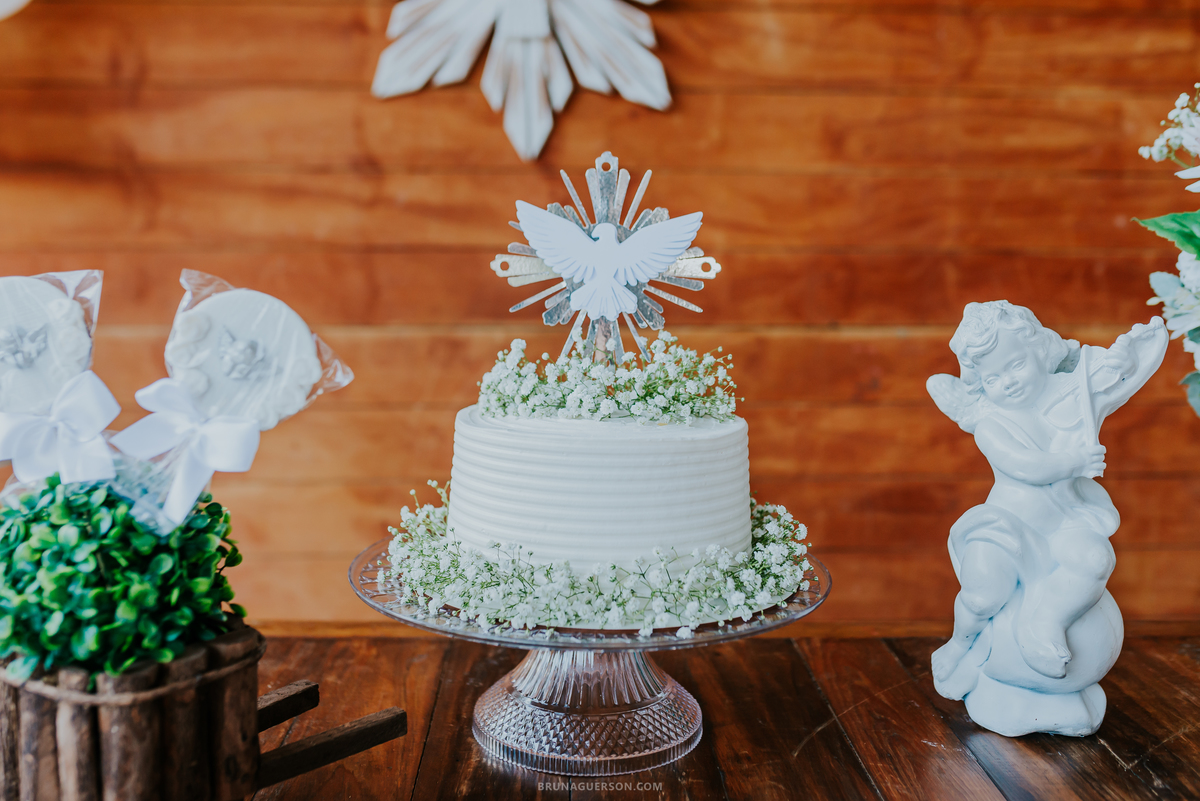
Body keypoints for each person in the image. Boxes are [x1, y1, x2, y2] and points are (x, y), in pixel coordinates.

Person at [929, 301, 1167, 684]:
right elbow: (1024, 465)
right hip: (1006, 526)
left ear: (1040, 352)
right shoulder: (991, 421)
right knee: (983, 594)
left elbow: (1107, 384)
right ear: (981, 387)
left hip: (1065, 520)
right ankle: (960, 642)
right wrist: (1076, 462)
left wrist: (1123, 360)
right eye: (993, 379)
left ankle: (1044, 622)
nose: (1008, 382)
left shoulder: (1067, 394)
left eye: (1016, 365)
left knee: (1094, 560)